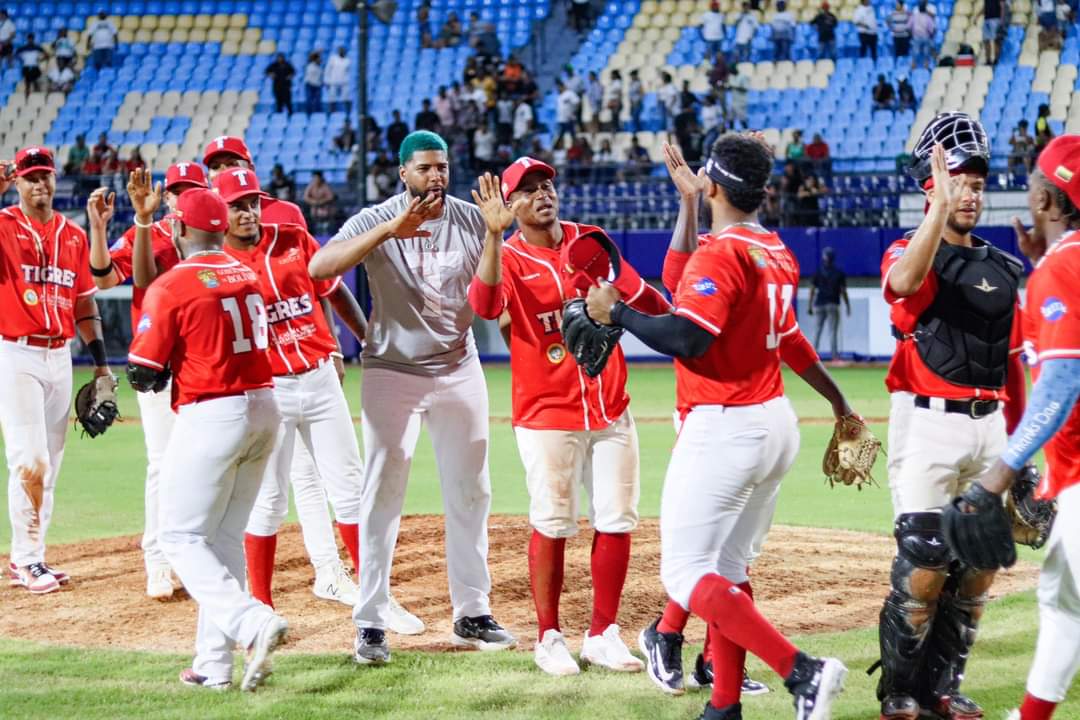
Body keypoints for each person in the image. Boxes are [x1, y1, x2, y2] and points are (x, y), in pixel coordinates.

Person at [585, 134, 852, 720]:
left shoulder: (722, 253)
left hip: (728, 423)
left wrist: (620, 313)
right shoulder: (776, 249)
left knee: (685, 571)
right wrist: (838, 402)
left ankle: (801, 672)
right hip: (776, 421)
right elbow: (784, 338)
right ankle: (723, 706)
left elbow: (688, 338)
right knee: (729, 570)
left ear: (711, 185)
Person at [309, 131, 516, 664]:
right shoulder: (376, 217)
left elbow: (490, 299)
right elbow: (320, 269)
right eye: (424, 168)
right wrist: (387, 231)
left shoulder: (472, 219)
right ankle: (371, 621)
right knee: (381, 495)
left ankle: (472, 611)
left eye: (442, 167)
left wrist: (495, 236)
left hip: (457, 365)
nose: (436, 177)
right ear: (403, 174)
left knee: (472, 491)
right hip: (391, 369)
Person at [469, 158, 671, 675]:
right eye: (528, 190)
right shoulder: (510, 257)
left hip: (610, 404)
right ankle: (549, 637)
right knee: (554, 522)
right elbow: (487, 307)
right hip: (546, 412)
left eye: (547, 184)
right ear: (509, 207)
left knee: (618, 517)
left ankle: (603, 633)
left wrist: (666, 316)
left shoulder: (591, 241)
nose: (543, 193)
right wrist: (493, 238)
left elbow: (642, 295)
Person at [873, 112, 1027, 720]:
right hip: (926, 422)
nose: (972, 190)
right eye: (958, 178)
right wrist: (935, 214)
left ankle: (943, 687)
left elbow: (1013, 364)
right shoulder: (909, 251)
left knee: (980, 566)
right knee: (924, 560)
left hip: (989, 425)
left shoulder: (1006, 267)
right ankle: (900, 692)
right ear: (930, 184)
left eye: (978, 181)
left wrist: (1019, 451)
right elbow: (904, 283)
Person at [125, 187, 288, 692]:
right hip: (265, 407)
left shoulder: (173, 283)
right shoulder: (247, 272)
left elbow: (144, 373)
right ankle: (213, 667)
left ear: (177, 228)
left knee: (178, 537)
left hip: (214, 411)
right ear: (220, 230)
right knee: (221, 539)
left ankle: (251, 622)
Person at [201, 135, 369, 612]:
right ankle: (269, 598)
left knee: (341, 483)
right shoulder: (213, 256)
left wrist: (345, 344)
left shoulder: (292, 227)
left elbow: (325, 289)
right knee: (273, 494)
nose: (247, 211)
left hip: (313, 373)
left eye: (250, 200)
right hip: (267, 387)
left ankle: (353, 585)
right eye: (217, 167)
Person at [971, 135, 1080, 720]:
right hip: (1072, 475)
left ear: (1046, 198)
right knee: (1062, 602)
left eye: (1035, 182)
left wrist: (1002, 470)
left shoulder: (1062, 270)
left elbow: (1063, 384)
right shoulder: (1062, 266)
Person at [86, 163, 205, 599]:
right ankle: (157, 559)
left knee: (207, 464)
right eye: (175, 190)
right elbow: (104, 277)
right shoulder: (151, 233)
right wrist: (100, 229)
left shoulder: (215, 236)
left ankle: (194, 555)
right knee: (162, 463)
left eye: (190, 189)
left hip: (204, 364)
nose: (180, 197)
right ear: (166, 195)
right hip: (158, 365)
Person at [0, 147, 112, 596]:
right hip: (16, 354)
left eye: (45, 176)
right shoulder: (5, 226)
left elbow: (85, 301)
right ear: (18, 184)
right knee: (30, 459)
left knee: (52, 464)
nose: (39, 184)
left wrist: (102, 365)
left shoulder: (73, 235)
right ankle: (27, 560)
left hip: (60, 355)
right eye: (30, 178)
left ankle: (32, 555)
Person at [808, 247, 849, 359]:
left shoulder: (818, 272)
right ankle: (834, 356)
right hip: (833, 304)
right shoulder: (839, 272)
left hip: (819, 303)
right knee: (832, 331)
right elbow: (843, 291)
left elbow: (812, 290)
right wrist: (847, 305)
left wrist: (809, 306)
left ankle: (812, 356)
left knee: (817, 330)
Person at [16, 33, 46, 97]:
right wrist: (21, 59)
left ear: (33, 39)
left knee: (35, 81)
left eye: (31, 39)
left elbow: (46, 55)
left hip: (35, 66)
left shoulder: (37, 47)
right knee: (27, 83)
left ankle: (37, 96)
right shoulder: (23, 48)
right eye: (29, 39)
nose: (30, 40)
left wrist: (40, 60)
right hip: (26, 66)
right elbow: (16, 54)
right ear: (27, 39)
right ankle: (27, 98)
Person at [909, 1, 937, 69]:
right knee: (926, 51)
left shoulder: (914, 17)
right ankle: (926, 65)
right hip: (925, 36)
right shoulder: (928, 18)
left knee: (915, 51)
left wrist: (911, 35)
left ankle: (913, 64)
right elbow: (931, 29)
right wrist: (931, 36)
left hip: (916, 36)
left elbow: (909, 26)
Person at [323, 46, 350, 113]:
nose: (341, 52)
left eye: (343, 51)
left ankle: (346, 112)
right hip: (333, 81)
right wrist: (326, 80)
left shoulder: (347, 60)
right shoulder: (333, 59)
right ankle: (332, 112)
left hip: (344, 82)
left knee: (346, 97)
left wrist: (347, 81)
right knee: (332, 98)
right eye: (340, 51)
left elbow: (348, 72)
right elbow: (327, 70)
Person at [554, 80, 580, 149]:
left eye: (559, 87)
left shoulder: (570, 93)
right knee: (560, 136)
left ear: (562, 86)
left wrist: (574, 112)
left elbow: (577, 103)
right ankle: (560, 150)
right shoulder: (559, 96)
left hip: (569, 119)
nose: (558, 89)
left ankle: (575, 149)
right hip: (561, 120)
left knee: (573, 136)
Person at [658, 71, 680, 136]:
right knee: (669, 129)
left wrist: (669, 107)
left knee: (673, 128)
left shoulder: (670, 87)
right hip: (670, 110)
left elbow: (674, 97)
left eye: (663, 78)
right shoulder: (668, 87)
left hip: (673, 110)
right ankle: (670, 144)